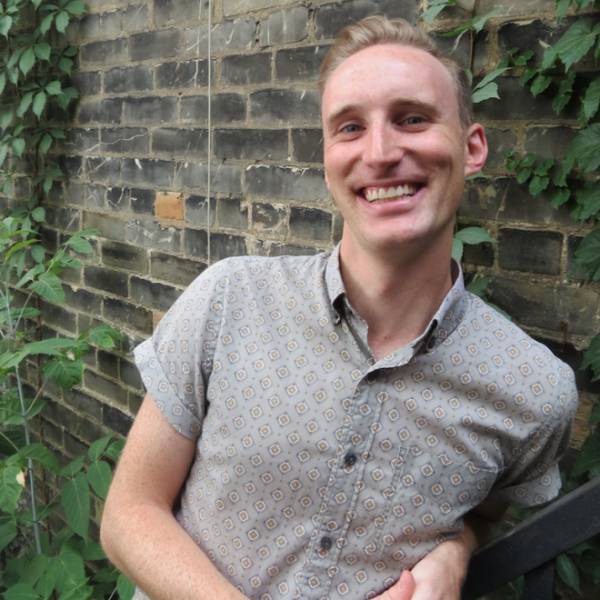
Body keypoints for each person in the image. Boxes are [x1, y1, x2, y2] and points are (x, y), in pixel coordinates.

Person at [100, 16, 578, 600]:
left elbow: (483, 509)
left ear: (472, 146)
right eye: (350, 127)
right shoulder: (229, 300)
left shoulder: (533, 392)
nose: (380, 153)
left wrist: (456, 550)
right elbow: (129, 513)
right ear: (327, 158)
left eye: (413, 118)